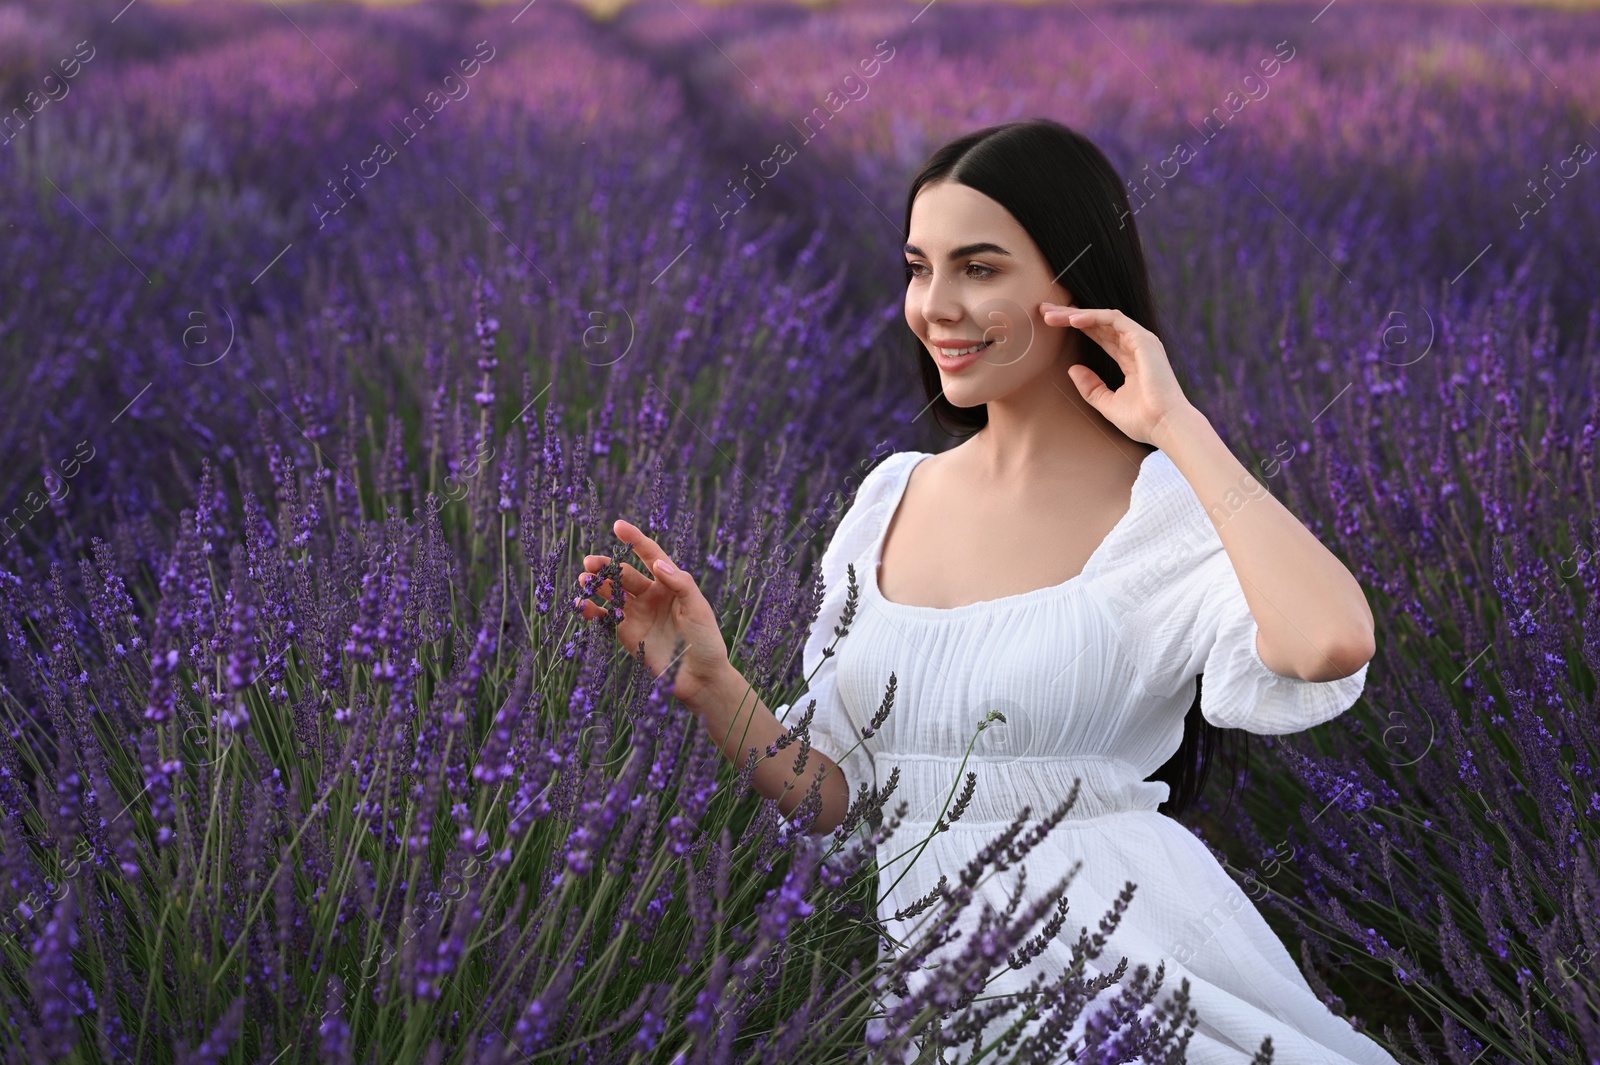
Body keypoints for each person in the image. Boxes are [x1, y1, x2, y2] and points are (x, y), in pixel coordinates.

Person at [575, 119, 1402, 1063]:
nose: (935, 307)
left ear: (1074, 287)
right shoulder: (889, 499)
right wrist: (714, 684)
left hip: (1130, 987)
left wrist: (1177, 425)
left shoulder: (1160, 514)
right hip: (939, 1005)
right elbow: (850, 807)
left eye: (979, 268)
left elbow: (1329, 641)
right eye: (918, 268)